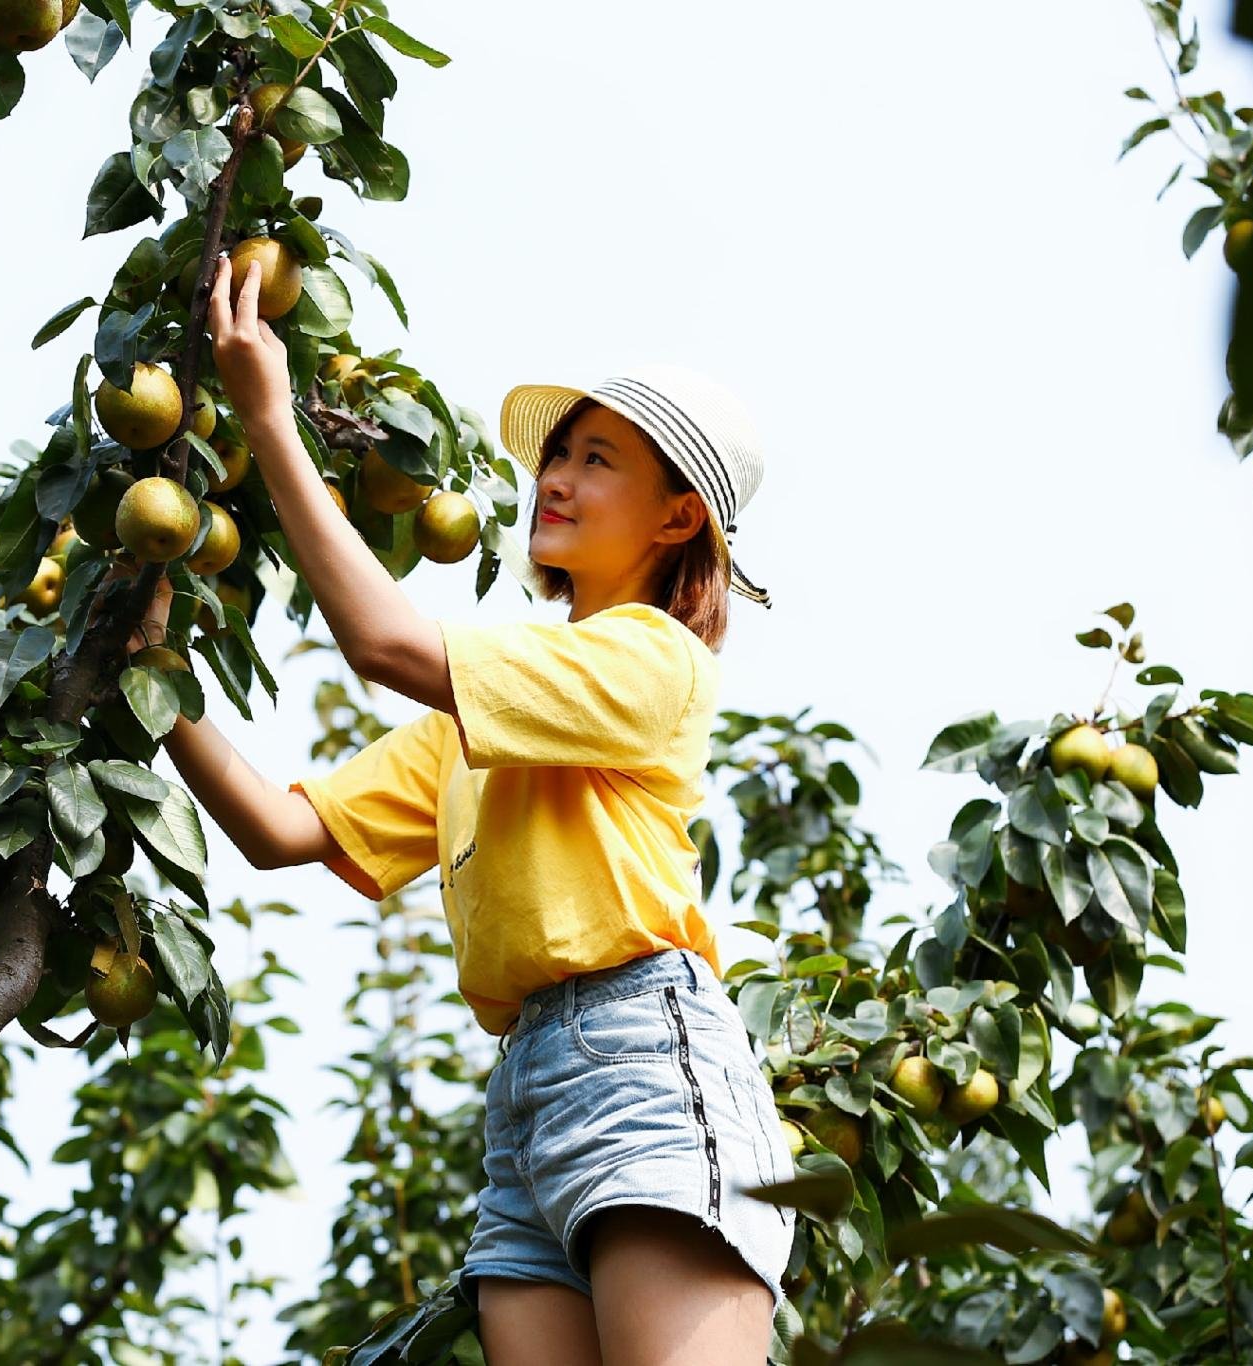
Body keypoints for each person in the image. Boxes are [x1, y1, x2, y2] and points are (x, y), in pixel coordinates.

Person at [130, 251, 795, 1365]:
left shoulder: (650, 660)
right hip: (525, 1096)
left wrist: (269, 418)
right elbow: (278, 831)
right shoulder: (483, 723)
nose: (556, 477)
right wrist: (145, 673)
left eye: (597, 459)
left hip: (639, 1051)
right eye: (557, 454)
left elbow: (383, 643)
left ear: (678, 516)